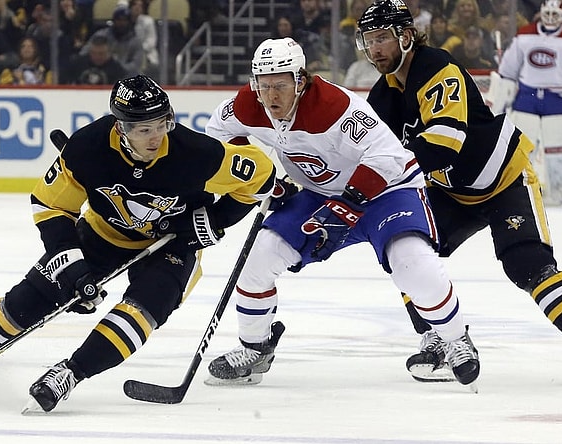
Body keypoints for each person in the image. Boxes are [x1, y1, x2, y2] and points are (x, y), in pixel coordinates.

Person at [0, 74, 278, 413]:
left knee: (147, 306)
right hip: (103, 233)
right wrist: (73, 269)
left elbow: (261, 176)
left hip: (171, 244)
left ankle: (70, 373)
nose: (156, 137)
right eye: (144, 129)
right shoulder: (87, 148)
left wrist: (214, 221)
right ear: (122, 128)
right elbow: (50, 205)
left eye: (162, 124)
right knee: (31, 298)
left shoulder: (196, 154)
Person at [356, 0, 562, 385]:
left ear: (405, 35)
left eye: (382, 38)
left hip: (503, 180)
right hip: (452, 189)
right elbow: (369, 151)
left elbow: (444, 141)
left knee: (528, 264)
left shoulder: (437, 67)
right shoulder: (384, 95)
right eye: (368, 40)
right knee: (404, 251)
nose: (374, 49)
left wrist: (380, 172)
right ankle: (443, 339)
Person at [204, 37, 481, 388]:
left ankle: (456, 340)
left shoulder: (336, 106)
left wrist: (348, 205)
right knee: (258, 260)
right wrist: (261, 176)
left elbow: (389, 156)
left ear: (300, 80)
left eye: (280, 85)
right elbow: (217, 137)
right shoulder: (247, 105)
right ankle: (255, 348)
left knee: (411, 262)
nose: (271, 95)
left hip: (388, 190)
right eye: (264, 85)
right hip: (320, 194)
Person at [490, 0, 562, 207]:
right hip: (526, 99)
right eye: (547, 13)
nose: (550, 18)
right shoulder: (524, 36)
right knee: (520, 149)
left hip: (557, 101)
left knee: (559, 150)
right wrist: (501, 98)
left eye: (554, 14)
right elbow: (508, 72)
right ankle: (515, 189)